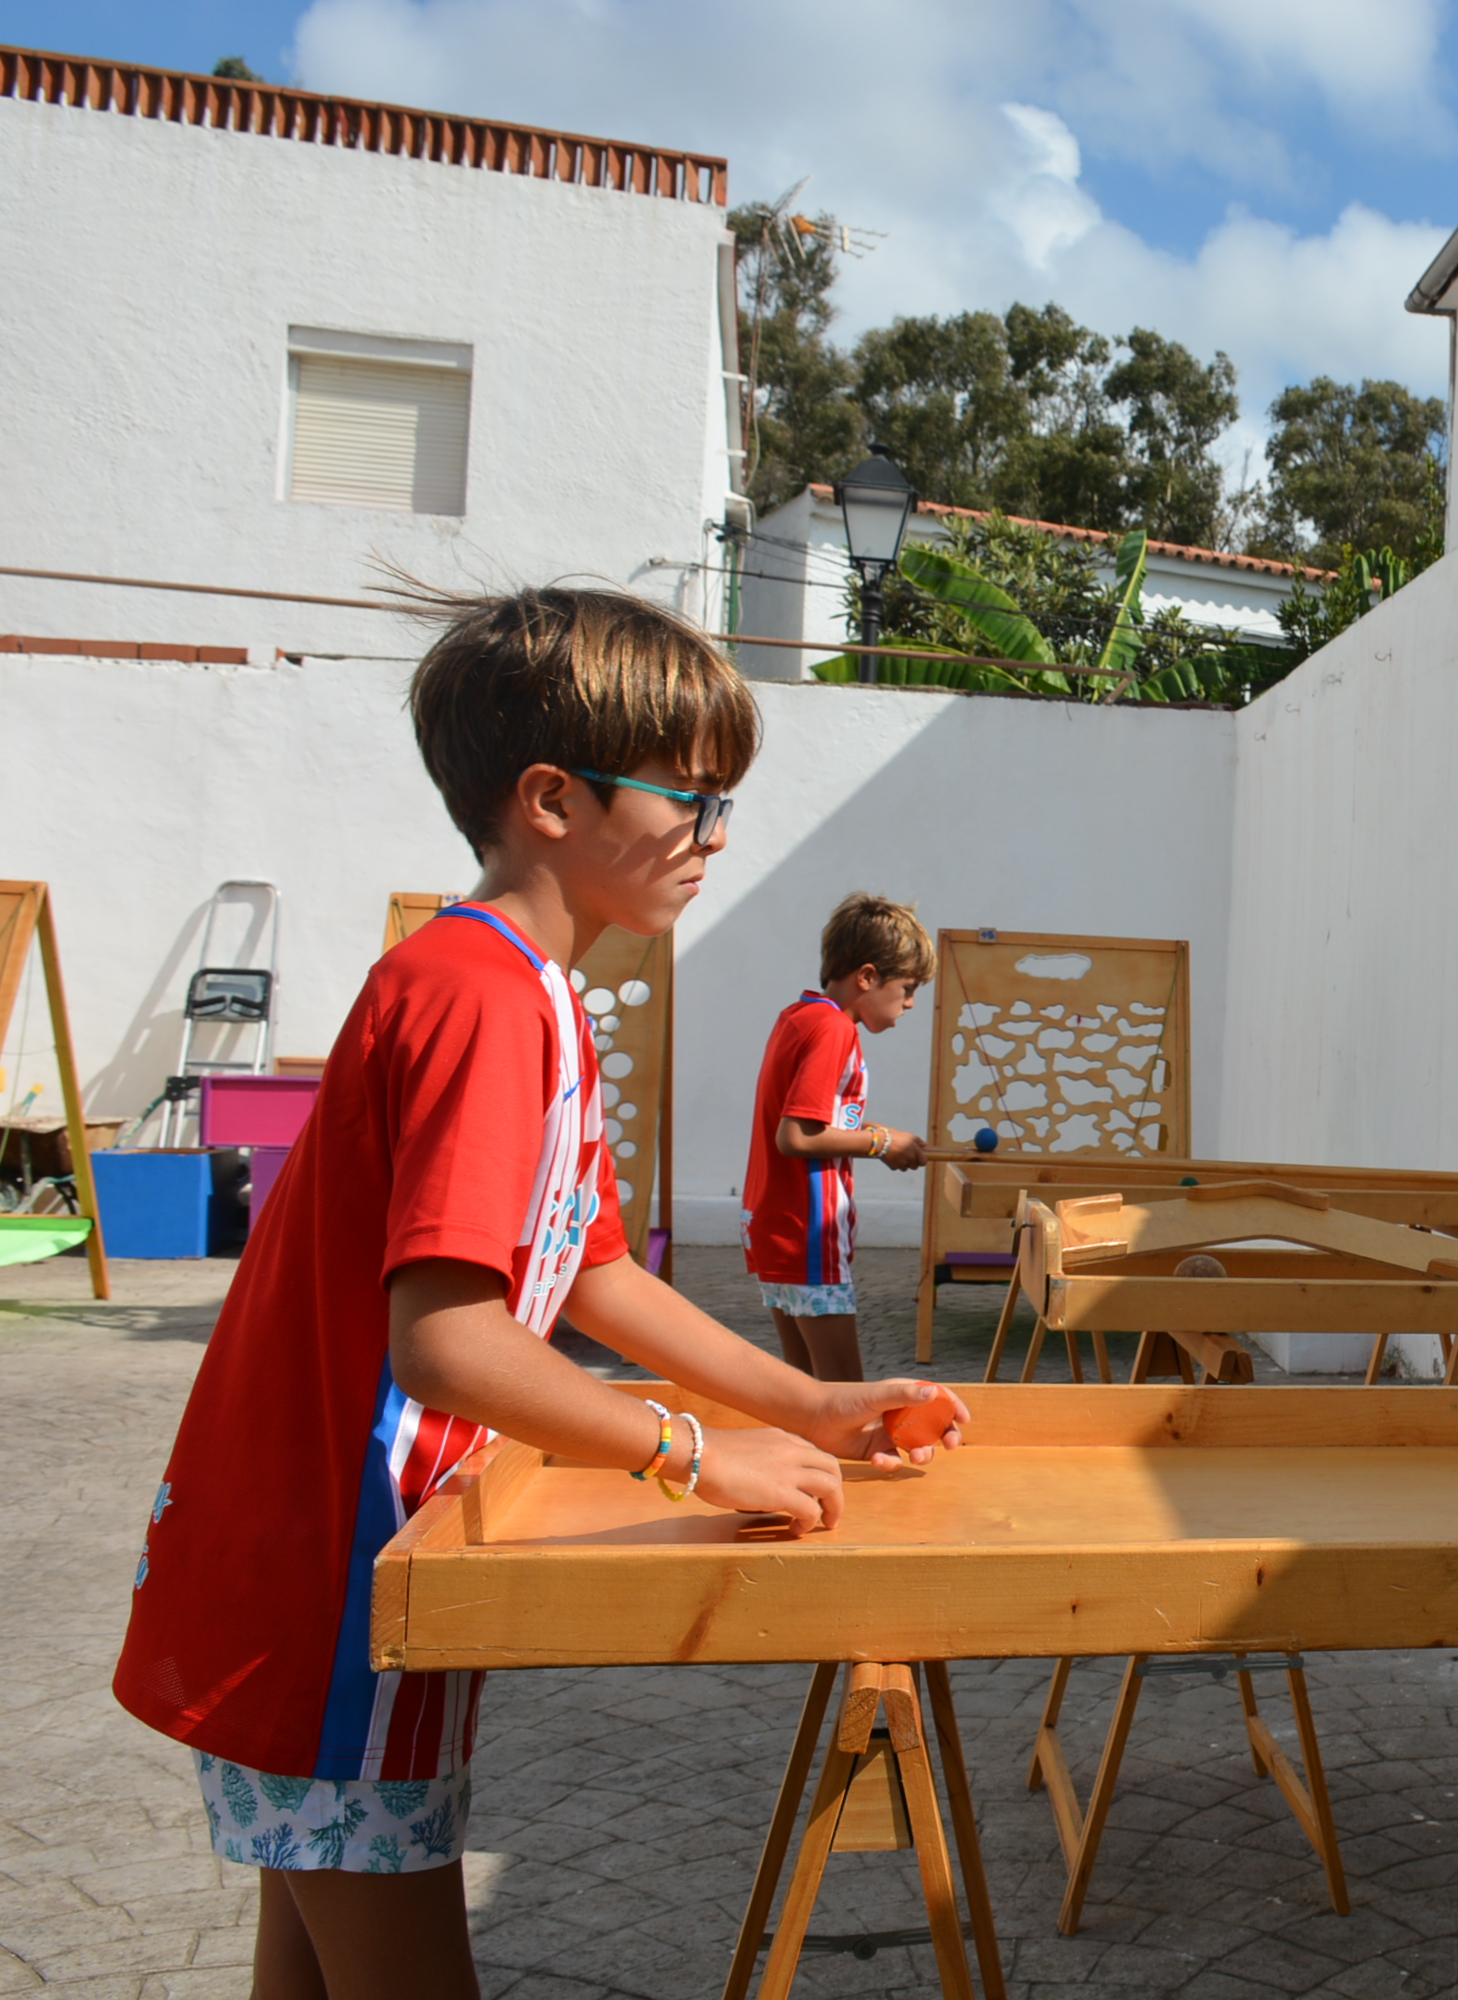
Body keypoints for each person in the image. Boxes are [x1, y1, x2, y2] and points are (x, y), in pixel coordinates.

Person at [111, 587, 966, 2000]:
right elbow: (450, 1343)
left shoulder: (541, 994)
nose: (716, 836)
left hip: (362, 1577)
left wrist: (810, 1406)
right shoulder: (482, 994)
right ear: (554, 800)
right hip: (330, 1593)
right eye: (692, 799)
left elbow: (593, 1270)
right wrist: (694, 1453)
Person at [741, 894, 933, 1381]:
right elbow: (797, 1136)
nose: (910, 1003)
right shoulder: (834, 1030)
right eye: (907, 988)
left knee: (806, 1391)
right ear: (867, 977)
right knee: (843, 1394)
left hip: (774, 1221)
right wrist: (881, 1143)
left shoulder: (799, 1016)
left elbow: (811, 1121)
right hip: (807, 1228)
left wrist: (880, 1136)